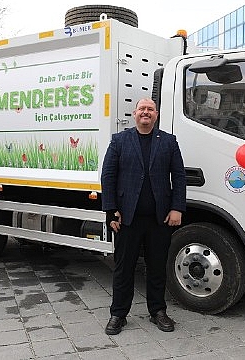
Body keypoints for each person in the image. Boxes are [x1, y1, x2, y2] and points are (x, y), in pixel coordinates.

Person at [100, 98, 187, 335]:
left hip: (160, 219)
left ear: (156, 114)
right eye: (142, 109)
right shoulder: (120, 140)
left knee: (157, 267)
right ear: (134, 114)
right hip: (127, 219)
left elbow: (178, 177)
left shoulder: (168, 142)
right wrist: (111, 211)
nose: (145, 113)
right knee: (123, 268)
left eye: (150, 109)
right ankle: (118, 314)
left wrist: (177, 207)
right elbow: (108, 176)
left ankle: (158, 311)